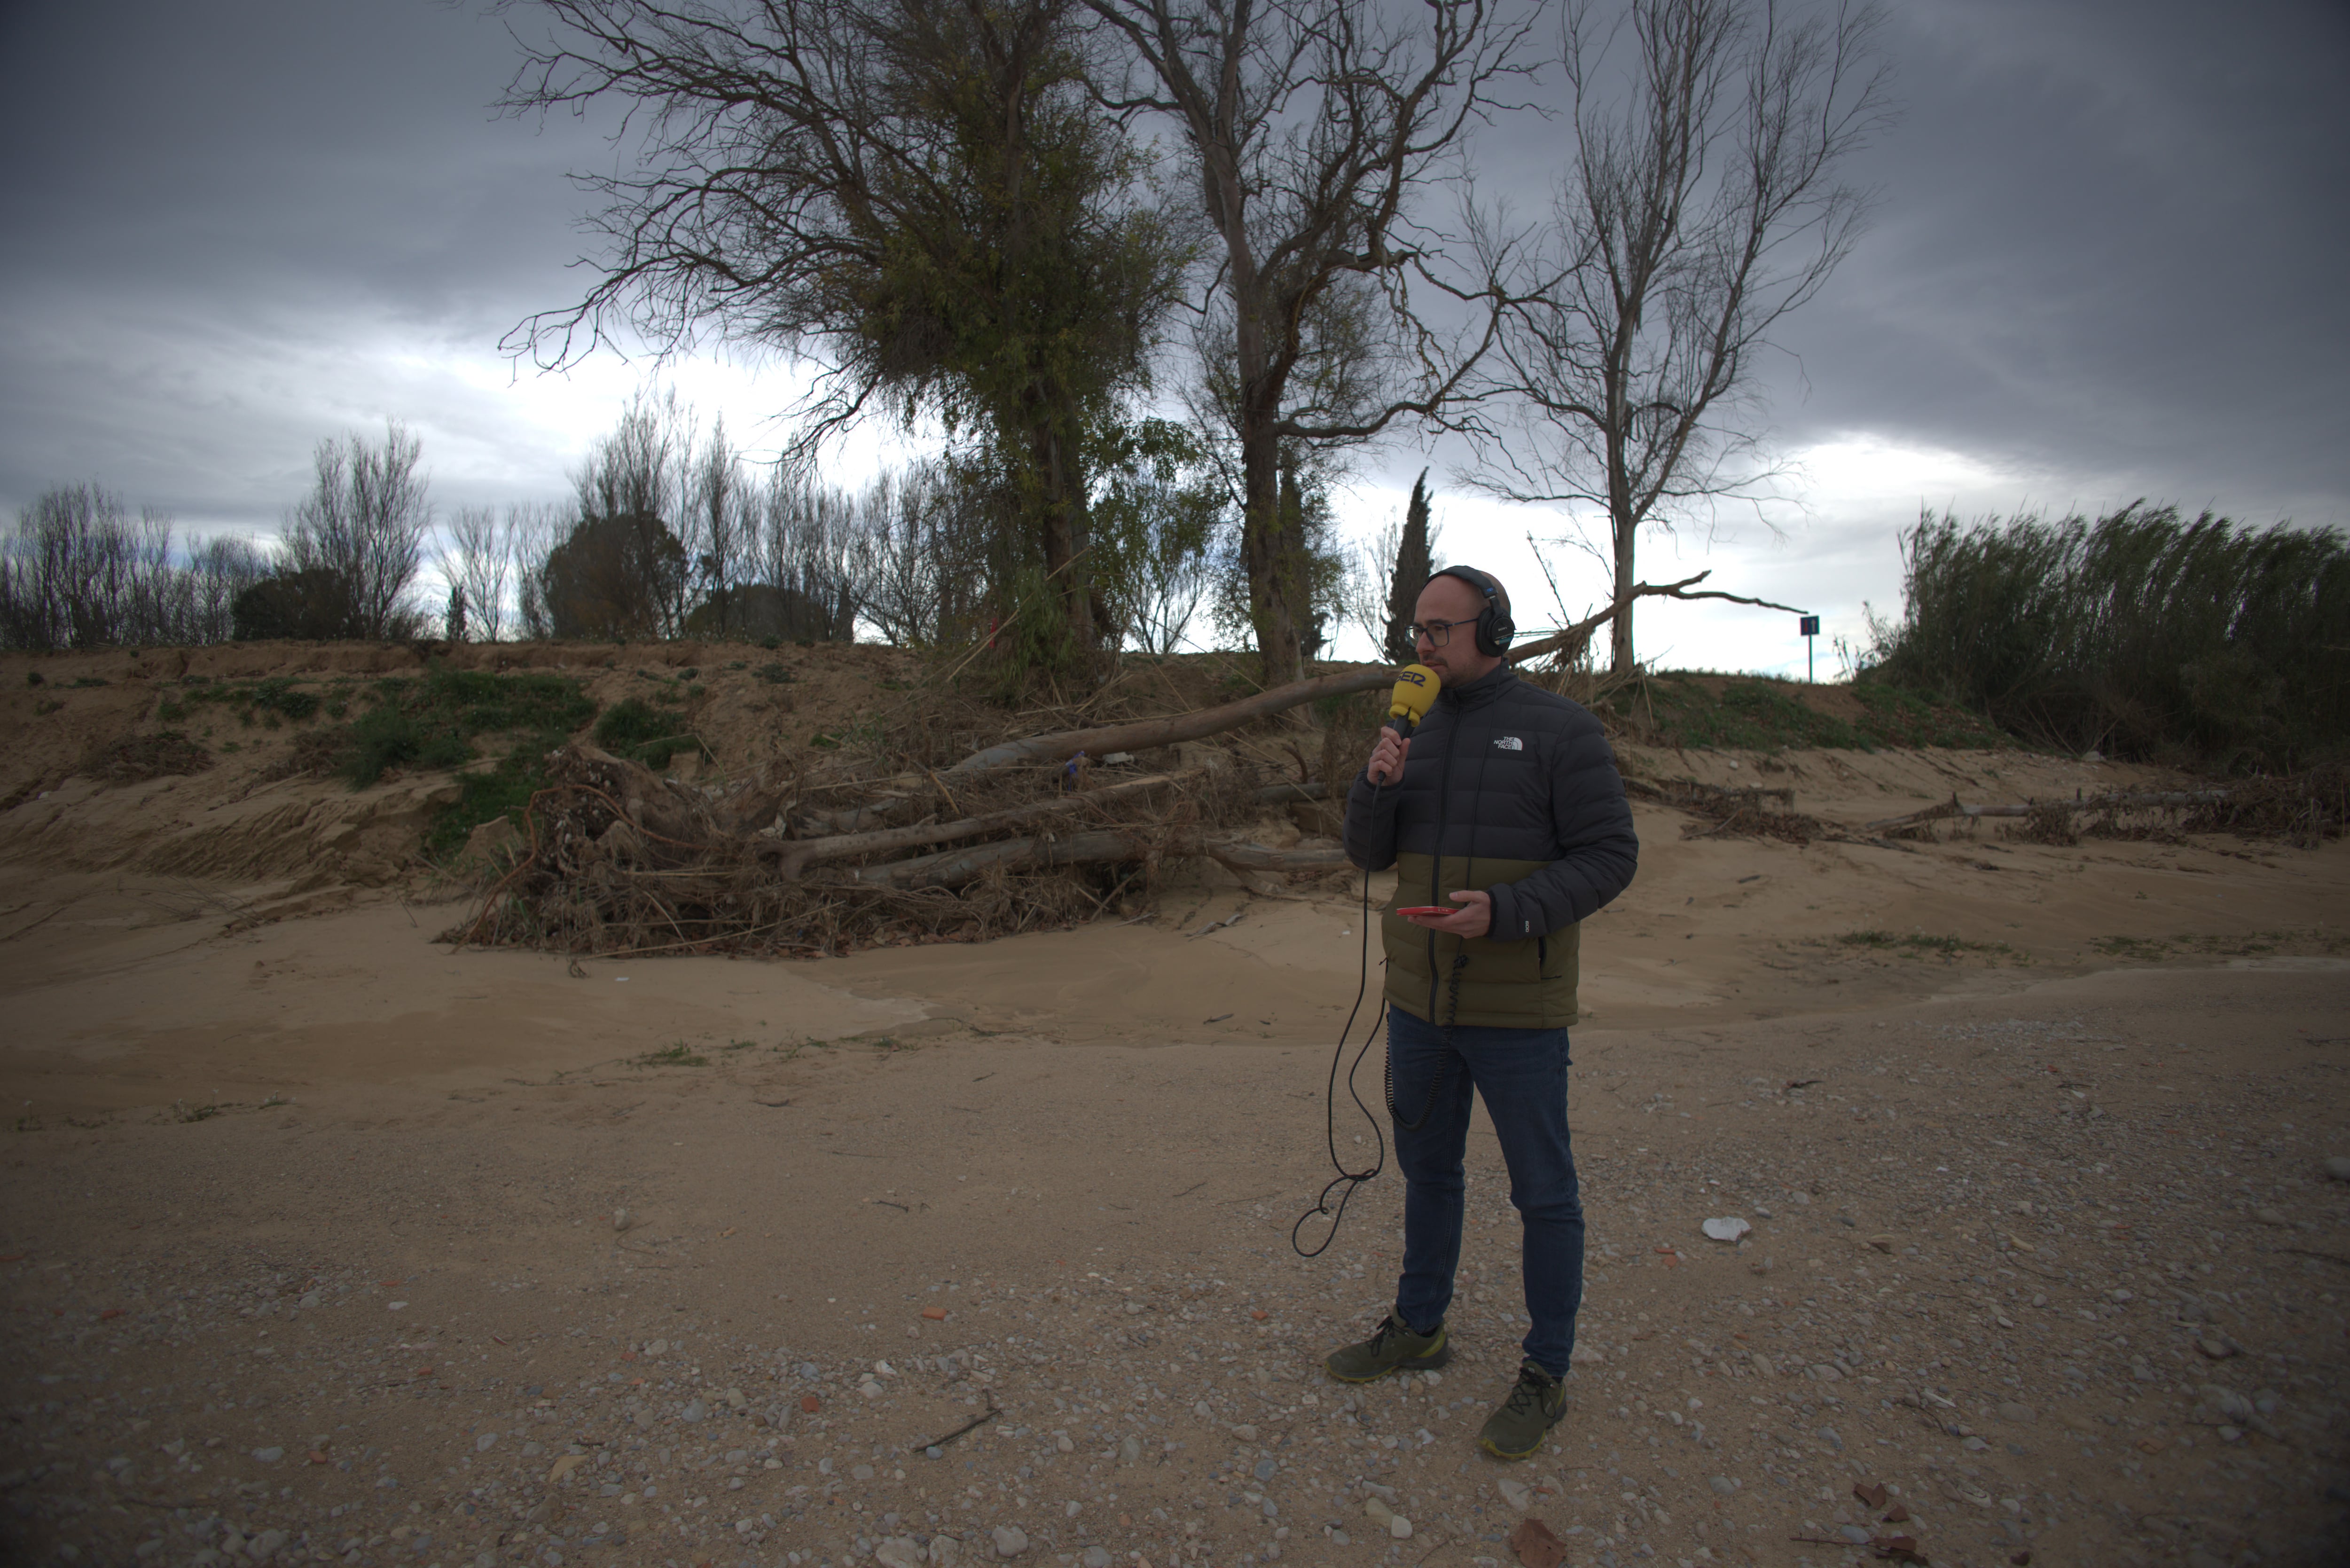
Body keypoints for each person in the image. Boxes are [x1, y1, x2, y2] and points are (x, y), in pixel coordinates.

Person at [1325, 565, 1639, 1460]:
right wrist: (1377, 781)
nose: (1422, 645)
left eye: (1442, 629)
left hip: (1520, 1009)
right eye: (1416, 630)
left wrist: (1508, 913)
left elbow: (1611, 856)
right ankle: (1420, 1329)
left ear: (1492, 632)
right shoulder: (1409, 729)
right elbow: (1367, 854)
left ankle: (1547, 1372)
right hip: (1422, 1002)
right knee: (1430, 1175)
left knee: (1544, 1193)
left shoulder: (1560, 731)